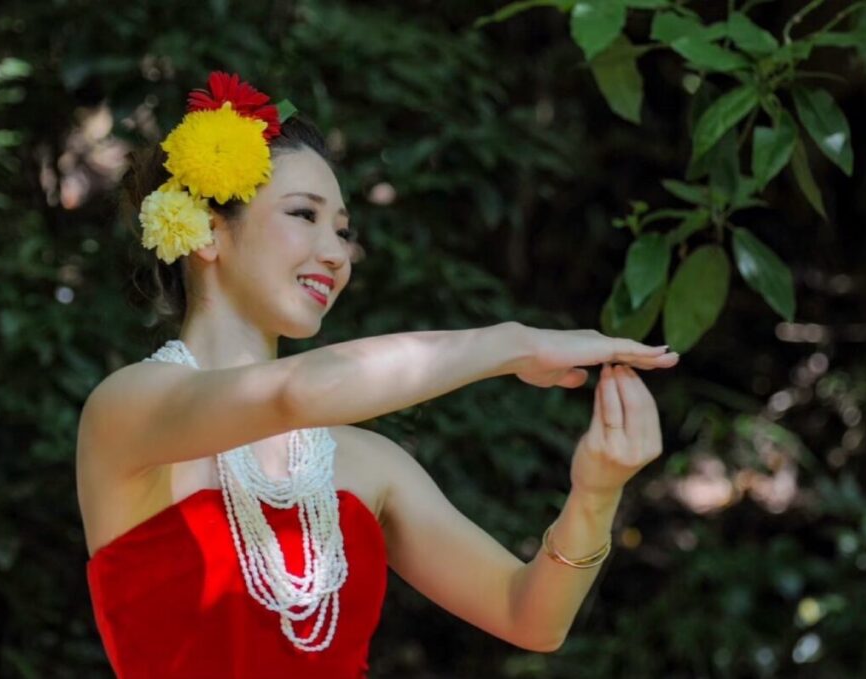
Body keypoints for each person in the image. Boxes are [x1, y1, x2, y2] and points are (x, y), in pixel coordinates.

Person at [76, 71, 680, 678]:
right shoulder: (127, 409)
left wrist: (596, 493)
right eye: (304, 215)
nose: (337, 253)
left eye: (342, 230)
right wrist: (515, 344)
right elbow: (299, 393)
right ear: (208, 230)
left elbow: (530, 617)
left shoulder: (368, 464)